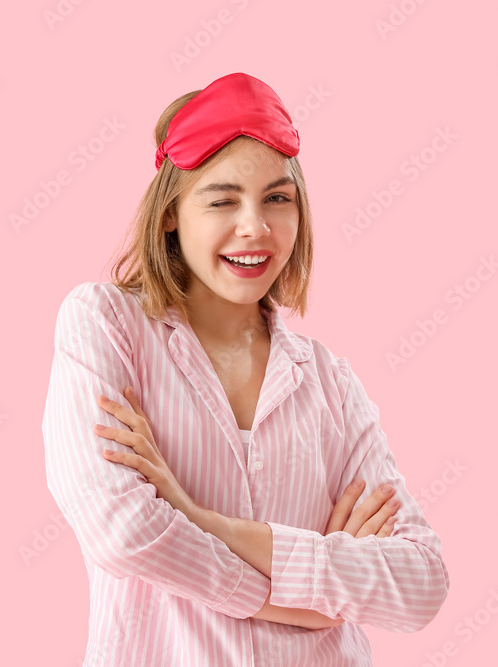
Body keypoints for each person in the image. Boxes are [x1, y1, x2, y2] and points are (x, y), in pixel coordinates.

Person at [41, 72, 450, 666]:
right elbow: (123, 532)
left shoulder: (331, 382)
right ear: (170, 216)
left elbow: (420, 585)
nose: (255, 227)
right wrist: (300, 598)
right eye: (223, 199)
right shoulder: (106, 326)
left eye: (277, 199)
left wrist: (193, 514)